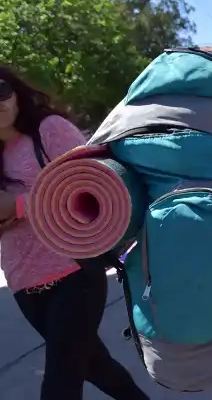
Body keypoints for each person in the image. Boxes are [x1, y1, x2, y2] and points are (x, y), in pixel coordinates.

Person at [0, 66, 149, 400]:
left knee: (60, 379)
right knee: (96, 367)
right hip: (24, 281)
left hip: (75, 271)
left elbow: (92, 187)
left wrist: (19, 207)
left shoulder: (49, 131)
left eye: (1, 90)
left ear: (16, 91)